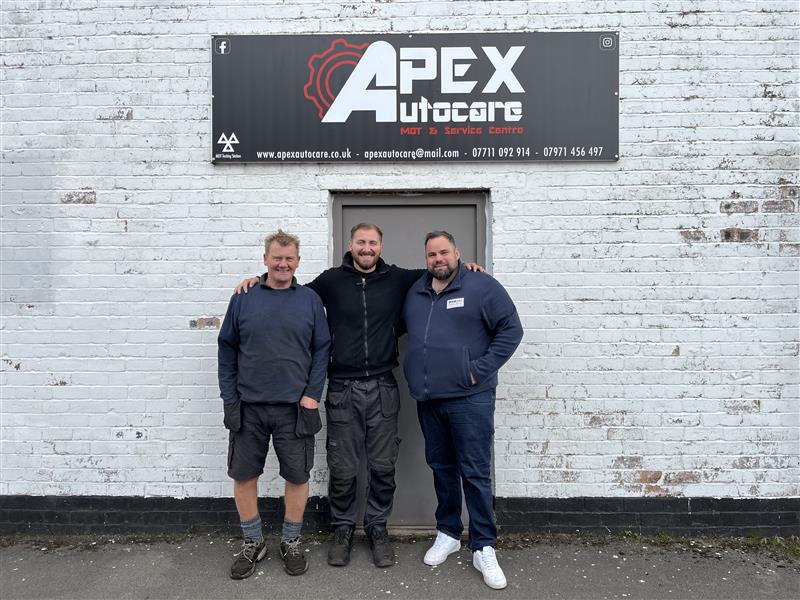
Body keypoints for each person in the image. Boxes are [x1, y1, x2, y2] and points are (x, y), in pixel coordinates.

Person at [233, 223, 484, 568]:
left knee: (383, 466)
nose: (367, 248)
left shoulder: (398, 279)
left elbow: (439, 270)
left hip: (383, 387)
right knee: (343, 468)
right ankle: (343, 530)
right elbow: (290, 290)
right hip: (342, 389)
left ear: (381, 246)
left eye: (373, 242)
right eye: (361, 242)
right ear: (351, 245)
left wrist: (466, 268)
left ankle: (377, 529)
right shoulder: (331, 281)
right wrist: (258, 281)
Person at [401, 231, 522, 590]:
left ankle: (483, 545)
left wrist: (477, 371)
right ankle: (449, 532)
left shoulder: (482, 286)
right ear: (425, 258)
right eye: (431, 254)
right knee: (441, 467)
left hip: (470, 398)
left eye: (444, 252)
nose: (438, 259)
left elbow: (511, 330)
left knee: (475, 472)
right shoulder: (416, 291)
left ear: (457, 253)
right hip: (429, 399)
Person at [218, 230, 330, 580]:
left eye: (289, 258)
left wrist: (312, 393)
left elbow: (322, 349)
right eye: (277, 258)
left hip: (295, 408)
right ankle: (253, 542)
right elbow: (227, 348)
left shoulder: (310, 300)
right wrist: (230, 396)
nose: (283, 264)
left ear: (298, 261)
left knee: (297, 476)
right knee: (244, 475)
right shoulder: (243, 298)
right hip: (248, 406)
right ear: (265, 259)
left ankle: (290, 541)